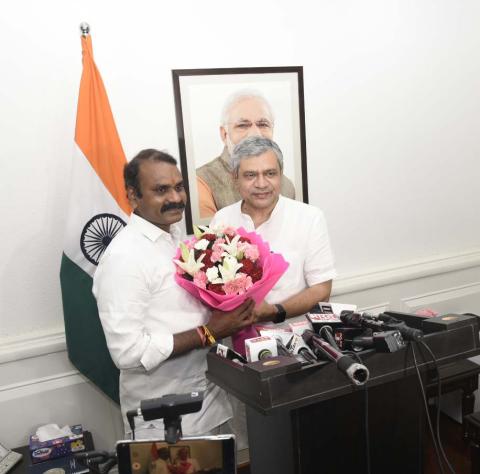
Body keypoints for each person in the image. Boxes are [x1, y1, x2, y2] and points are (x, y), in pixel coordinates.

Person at [92, 149, 255, 439]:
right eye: (161, 190)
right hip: (164, 422)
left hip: (209, 405)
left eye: (179, 187)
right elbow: (128, 352)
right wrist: (208, 332)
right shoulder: (124, 257)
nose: (176, 198)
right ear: (133, 196)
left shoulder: (179, 239)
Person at [210, 136, 336, 323]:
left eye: (270, 173)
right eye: (250, 175)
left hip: (293, 340)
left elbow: (321, 290)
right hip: (234, 338)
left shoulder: (309, 218)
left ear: (281, 174)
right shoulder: (222, 219)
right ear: (234, 178)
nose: (261, 184)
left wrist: (276, 311)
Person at [196, 90, 296, 218]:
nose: (255, 133)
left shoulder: (287, 186)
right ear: (224, 134)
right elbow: (209, 236)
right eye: (243, 125)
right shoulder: (201, 182)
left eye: (263, 124)